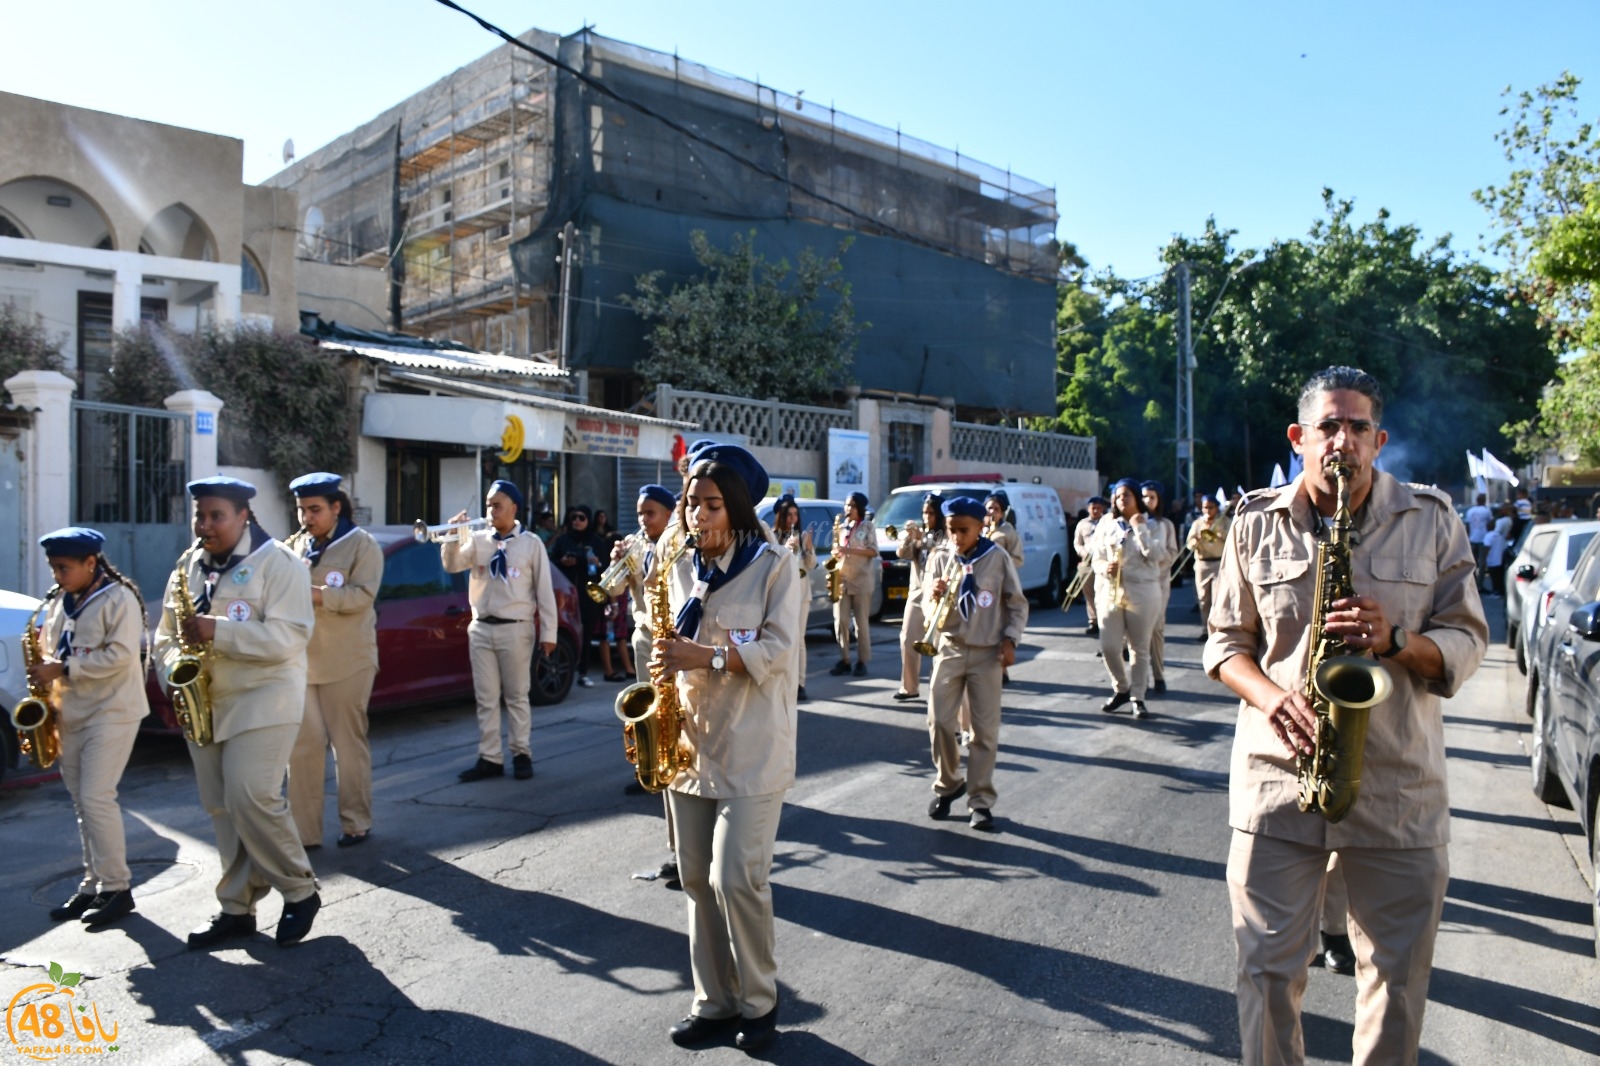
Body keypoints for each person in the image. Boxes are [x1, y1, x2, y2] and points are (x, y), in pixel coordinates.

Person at [1203, 365, 1487, 1065]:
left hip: (1398, 789)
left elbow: (1470, 638)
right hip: (1277, 783)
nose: (1343, 441)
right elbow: (1225, 644)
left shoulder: (1432, 519)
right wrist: (1273, 697)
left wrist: (1398, 641)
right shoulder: (1253, 522)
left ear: (1378, 440)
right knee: (1266, 973)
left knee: (1395, 981)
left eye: (1358, 427)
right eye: (1328, 426)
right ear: (1300, 437)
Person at [654, 443, 801, 1053]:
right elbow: (665, 642)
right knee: (694, 878)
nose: (697, 515)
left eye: (711, 504)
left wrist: (708, 655)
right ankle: (713, 1002)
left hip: (754, 749)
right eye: (691, 503)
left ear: (737, 508)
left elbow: (778, 650)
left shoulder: (775, 566)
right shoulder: (678, 566)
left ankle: (759, 1002)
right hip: (690, 746)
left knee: (735, 877)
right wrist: (660, 679)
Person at [155, 477, 322, 949]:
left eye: (216, 516)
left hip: (265, 696)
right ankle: (237, 907)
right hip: (205, 699)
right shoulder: (187, 565)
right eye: (199, 516)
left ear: (243, 515)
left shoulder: (280, 563)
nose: (205, 525)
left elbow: (290, 637)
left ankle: (300, 889)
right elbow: (165, 634)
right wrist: (173, 670)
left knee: (252, 795)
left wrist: (217, 631)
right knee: (221, 806)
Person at [32, 528, 148, 928]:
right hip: (73, 711)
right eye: (53, 568)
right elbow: (52, 649)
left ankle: (118, 888)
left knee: (97, 797)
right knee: (83, 803)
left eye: (63, 568)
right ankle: (92, 884)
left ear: (90, 563)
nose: (57, 575)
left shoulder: (119, 599)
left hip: (113, 709)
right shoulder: (60, 603)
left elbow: (119, 655)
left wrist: (62, 668)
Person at [285, 473, 382, 850]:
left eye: (314, 510)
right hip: (302, 662)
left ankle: (356, 822)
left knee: (347, 742)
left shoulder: (362, 546)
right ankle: (304, 832)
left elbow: (363, 595)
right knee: (303, 745)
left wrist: (318, 595)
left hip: (348, 660)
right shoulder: (294, 545)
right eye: (301, 510)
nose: (307, 518)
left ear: (336, 507)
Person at [442, 479, 559, 782]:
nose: (490, 511)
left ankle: (521, 753)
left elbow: (544, 591)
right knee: (486, 697)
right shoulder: (478, 539)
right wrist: (453, 536)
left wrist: (549, 634)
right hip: (481, 627)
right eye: (488, 505)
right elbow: (452, 565)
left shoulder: (531, 544)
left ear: (513, 508)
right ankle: (489, 757)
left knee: (517, 695)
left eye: (497, 505)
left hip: (516, 629)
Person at [922, 496, 1028, 830]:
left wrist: (1010, 639)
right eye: (951, 530)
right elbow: (926, 605)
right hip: (950, 648)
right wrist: (933, 597)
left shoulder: (996, 558)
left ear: (981, 527)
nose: (955, 537)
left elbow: (1017, 603)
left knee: (983, 732)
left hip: (986, 653)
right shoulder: (940, 557)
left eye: (963, 530)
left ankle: (980, 800)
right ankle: (949, 783)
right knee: (939, 722)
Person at [1089, 479, 1164, 720]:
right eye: (1118, 496)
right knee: (1109, 646)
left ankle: (1138, 697)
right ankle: (1121, 687)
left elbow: (1156, 555)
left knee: (1139, 648)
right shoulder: (1106, 523)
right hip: (1112, 590)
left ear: (1136, 498)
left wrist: (1139, 527)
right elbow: (1096, 558)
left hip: (1143, 590)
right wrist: (1104, 568)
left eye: (1127, 495)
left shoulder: (1153, 523)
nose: (1122, 499)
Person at [893, 492, 946, 703]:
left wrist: (924, 540)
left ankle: (941, 690)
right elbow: (901, 554)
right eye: (924, 512)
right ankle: (909, 687)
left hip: (937, 595)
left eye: (931, 513)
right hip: (916, 593)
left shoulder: (945, 535)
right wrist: (909, 539)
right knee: (907, 639)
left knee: (939, 644)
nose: (927, 517)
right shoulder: (919, 534)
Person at [549, 506, 603, 688]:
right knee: (564, 633)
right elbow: (550, 563)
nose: (577, 521)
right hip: (565, 595)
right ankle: (562, 671)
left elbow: (606, 568)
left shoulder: (596, 542)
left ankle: (583, 672)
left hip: (588, 595)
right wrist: (563, 562)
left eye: (581, 518)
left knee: (586, 634)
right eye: (574, 518)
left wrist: (595, 562)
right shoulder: (564, 541)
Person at [772, 494, 817, 702]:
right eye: (788, 515)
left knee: (798, 639)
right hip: (779, 593)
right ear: (780, 516)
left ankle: (800, 684)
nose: (793, 519)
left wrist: (806, 548)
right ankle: (782, 680)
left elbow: (810, 565)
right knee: (779, 637)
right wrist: (787, 549)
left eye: (795, 514)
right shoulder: (772, 536)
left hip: (800, 593)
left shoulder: (803, 535)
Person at [828, 491, 877, 677]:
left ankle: (862, 661)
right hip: (842, 580)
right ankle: (845, 659)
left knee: (861, 624)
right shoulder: (841, 527)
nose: (849, 509)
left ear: (861, 509)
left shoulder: (867, 527)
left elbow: (873, 551)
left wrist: (849, 549)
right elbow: (839, 551)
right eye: (847, 505)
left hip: (861, 581)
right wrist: (837, 553)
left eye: (853, 506)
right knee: (840, 621)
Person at [1140, 480, 1179, 695]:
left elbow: (1172, 552)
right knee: (1137, 634)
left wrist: (1157, 564)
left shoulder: (1165, 525)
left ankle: (1158, 675)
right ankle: (1140, 679)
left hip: (1158, 583)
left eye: (1152, 497)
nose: (1147, 500)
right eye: (1144, 496)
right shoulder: (1133, 522)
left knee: (1156, 629)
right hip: (1136, 584)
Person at [1186, 494, 1231, 640]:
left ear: (1217, 508)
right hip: (1202, 563)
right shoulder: (1198, 523)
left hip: (1219, 562)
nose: (1208, 510)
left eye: (1211, 507)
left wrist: (1216, 532)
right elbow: (1189, 542)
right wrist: (1196, 541)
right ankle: (1205, 629)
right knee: (1203, 598)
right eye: (1205, 507)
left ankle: (1218, 628)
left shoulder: (1224, 521)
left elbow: (1231, 540)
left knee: (1219, 597)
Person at [1073, 496, 1107, 637]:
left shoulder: (1107, 522)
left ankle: (1104, 621)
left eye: (1099, 507)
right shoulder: (1082, 524)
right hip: (1087, 562)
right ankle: (1093, 621)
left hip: (1102, 561)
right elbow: (1077, 543)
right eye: (1093, 507)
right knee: (1089, 594)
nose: (1096, 510)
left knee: (1102, 593)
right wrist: (1083, 552)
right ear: (1088, 508)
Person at [1463, 492, 1493, 592]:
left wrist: (1466, 538)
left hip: (1472, 539)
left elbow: (1467, 526)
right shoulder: (1486, 511)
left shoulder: (1470, 511)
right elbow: (1490, 524)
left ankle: (1472, 584)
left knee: (1472, 563)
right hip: (1483, 539)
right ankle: (1479, 585)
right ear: (1484, 501)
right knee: (1482, 563)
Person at [1485, 502, 1514, 599]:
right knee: (1500, 575)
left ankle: (1497, 591)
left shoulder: (1492, 534)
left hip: (1493, 558)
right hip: (1502, 553)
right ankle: (1500, 590)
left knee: (1495, 576)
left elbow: (1487, 547)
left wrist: (1484, 558)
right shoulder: (1501, 535)